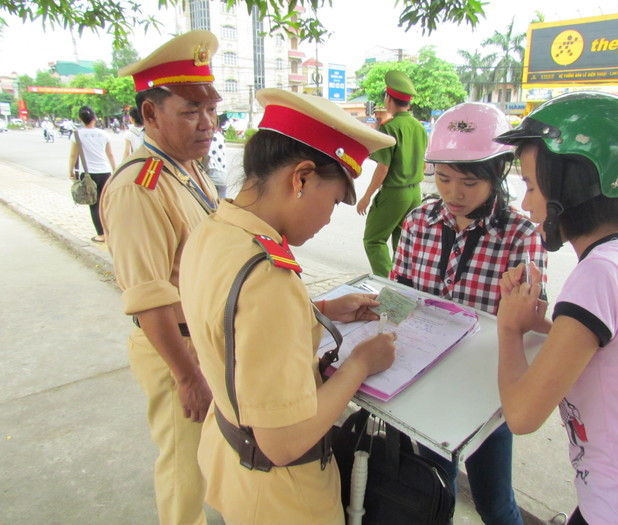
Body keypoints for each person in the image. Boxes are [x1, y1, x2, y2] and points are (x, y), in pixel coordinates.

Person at [178, 88, 398, 524]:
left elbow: (232, 321)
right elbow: (282, 442)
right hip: (279, 500)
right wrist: (360, 364)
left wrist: (320, 310)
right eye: (335, 201)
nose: (330, 218)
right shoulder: (268, 275)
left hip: (227, 460)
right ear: (301, 178)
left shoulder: (215, 229)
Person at [493, 92, 618, 524]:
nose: (526, 204)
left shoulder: (598, 274)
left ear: (573, 185)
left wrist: (510, 328)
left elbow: (521, 415)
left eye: (532, 187)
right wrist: (544, 325)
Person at [389, 102, 547, 525]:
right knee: (432, 487)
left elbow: (529, 324)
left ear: (498, 175)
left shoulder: (520, 236)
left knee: (494, 500)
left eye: (470, 182)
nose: (454, 194)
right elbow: (395, 293)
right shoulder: (418, 221)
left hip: (486, 392)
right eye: (443, 178)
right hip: (419, 381)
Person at [99, 30, 221, 525]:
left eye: (210, 110)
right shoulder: (137, 187)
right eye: (191, 111)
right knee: (182, 469)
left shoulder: (185, 169)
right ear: (150, 115)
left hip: (203, 339)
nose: (207, 123)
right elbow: (148, 297)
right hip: (176, 347)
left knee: (206, 458)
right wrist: (188, 375)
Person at [357, 70, 428, 277]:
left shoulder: (389, 128)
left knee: (373, 240)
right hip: (415, 193)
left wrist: (366, 196)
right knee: (402, 242)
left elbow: (383, 167)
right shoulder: (419, 128)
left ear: (388, 99)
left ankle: (389, 284)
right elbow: (423, 164)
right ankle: (404, 283)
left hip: (394, 193)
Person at [68, 105, 116, 243]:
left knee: (94, 204)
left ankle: (101, 235)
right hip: (106, 172)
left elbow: (73, 155)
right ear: (94, 118)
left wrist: (70, 170)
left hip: (89, 174)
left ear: (80, 119)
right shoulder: (104, 134)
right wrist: (115, 171)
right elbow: (111, 155)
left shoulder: (77, 135)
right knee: (106, 203)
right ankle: (111, 232)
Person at [201, 116, 227, 198]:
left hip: (212, 175)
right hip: (223, 176)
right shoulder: (221, 137)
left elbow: (205, 159)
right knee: (221, 207)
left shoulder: (208, 138)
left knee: (211, 207)